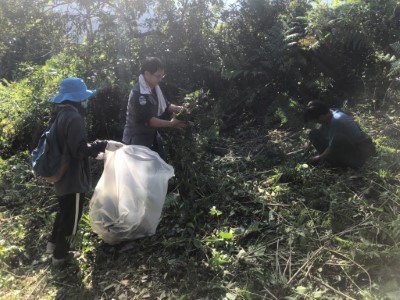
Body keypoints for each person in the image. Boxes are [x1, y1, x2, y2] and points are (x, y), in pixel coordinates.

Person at [45, 77, 124, 266]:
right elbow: (79, 150)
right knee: (71, 217)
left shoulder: (59, 114)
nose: (86, 101)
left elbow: (71, 145)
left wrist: (94, 151)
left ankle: (52, 245)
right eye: (84, 98)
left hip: (61, 175)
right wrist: (103, 145)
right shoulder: (73, 117)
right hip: (72, 178)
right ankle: (61, 257)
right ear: (77, 99)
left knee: (64, 211)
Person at [122, 57, 186, 160]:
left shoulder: (155, 88)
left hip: (151, 137)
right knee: (140, 174)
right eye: (158, 76)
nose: (160, 79)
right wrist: (171, 123)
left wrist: (181, 109)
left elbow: (166, 106)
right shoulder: (138, 94)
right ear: (147, 74)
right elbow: (150, 120)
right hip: (137, 140)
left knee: (161, 166)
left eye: (162, 76)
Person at [303, 100, 376, 169]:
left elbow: (331, 146)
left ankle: (336, 164)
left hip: (359, 153)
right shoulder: (329, 114)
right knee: (313, 134)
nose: (317, 122)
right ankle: (330, 161)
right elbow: (321, 131)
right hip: (346, 148)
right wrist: (308, 146)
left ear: (321, 117)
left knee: (338, 138)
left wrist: (318, 158)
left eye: (316, 120)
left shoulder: (336, 121)